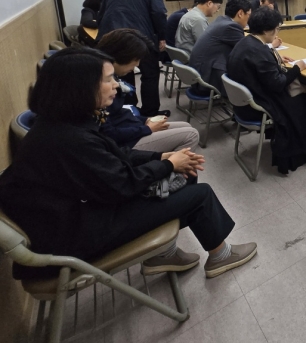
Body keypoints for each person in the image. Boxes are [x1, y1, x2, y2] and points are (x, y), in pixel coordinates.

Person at [0, 48, 257, 281]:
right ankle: (220, 256)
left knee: (186, 174)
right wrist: (167, 165)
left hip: (82, 212)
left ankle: (163, 253)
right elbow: (122, 184)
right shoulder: (70, 138)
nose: (116, 85)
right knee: (200, 195)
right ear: (79, 87)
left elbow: (113, 157)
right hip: (74, 236)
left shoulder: (63, 123)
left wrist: (160, 158)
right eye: (107, 80)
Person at [226, 7, 306, 174]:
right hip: (259, 106)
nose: (277, 32)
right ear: (266, 30)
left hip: (243, 104)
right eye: (277, 28)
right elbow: (277, 84)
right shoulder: (259, 50)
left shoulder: (246, 42)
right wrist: (297, 68)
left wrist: (274, 58)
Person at [97, 29, 199, 153]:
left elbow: (117, 113)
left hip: (128, 126)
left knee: (186, 126)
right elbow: (109, 134)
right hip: (125, 142)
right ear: (121, 56)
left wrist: (145, 120)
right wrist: (147, 129)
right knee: (191, 135)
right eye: (135, 60)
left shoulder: (107, 75)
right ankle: (167, 164)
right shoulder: (99, 87)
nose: (137, 65)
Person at [97, 0, 168, 117]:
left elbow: (101, 17)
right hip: (139, 39)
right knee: (150, 75)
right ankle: (150, 113)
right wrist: (161, 37)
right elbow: (159, 13)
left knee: (123, 75)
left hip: (113, 40)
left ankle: (129, 110)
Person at [188, 0, 251, 94]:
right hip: (207, 80)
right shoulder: (231, 26)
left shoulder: (221, 20)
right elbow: (248, 50)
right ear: (240, 13)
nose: (249, 18)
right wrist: (270, 45)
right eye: (249, 15)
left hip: (199, 75)